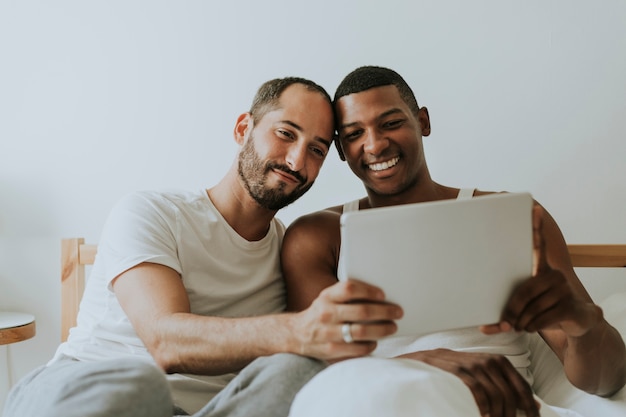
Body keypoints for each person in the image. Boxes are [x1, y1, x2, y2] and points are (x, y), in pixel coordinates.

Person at [3, 76, 403, 417]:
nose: (297, 161)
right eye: (285, 133)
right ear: (243, 129)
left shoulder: (292, 248)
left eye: (316, 149)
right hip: (83, 391)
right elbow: (165, 342)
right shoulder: (150, 211)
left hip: (207, 410)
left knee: (295, 373)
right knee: (140, 385)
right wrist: (300, 329)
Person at [281, 66, 626, 417]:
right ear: (342, 149)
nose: (375, 144)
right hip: (383, 402)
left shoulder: (510, 217)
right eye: (355, 133)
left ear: (423, 122)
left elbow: (606, 381)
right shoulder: (319, 236)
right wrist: (418, 364)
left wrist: (583, 323)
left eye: (391, 123)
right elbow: (316, 374)